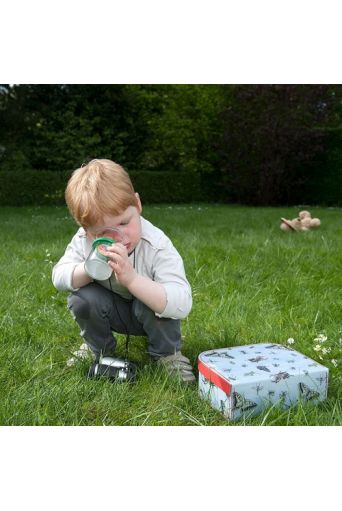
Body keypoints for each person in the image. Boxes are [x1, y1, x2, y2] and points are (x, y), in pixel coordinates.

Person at [52, 158, 195, 383]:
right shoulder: (84, 240)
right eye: (102, 232)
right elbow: (59, 277)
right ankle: (99, 349)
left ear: (137, 205)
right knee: (82, 298)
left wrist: (132, 280)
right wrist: (89, 269)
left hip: (151, 316)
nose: (119, 236)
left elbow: (182, 303)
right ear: (86, 231)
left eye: (124, 222)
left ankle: (168, 355)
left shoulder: (156, 244)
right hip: (112, 311)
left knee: (152, 296)